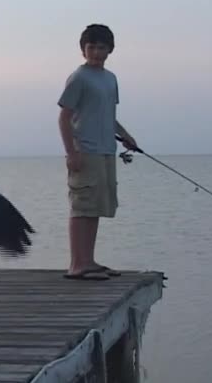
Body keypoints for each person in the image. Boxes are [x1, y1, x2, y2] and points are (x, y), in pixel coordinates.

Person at [57, 24, 139, 280]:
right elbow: (64, 117)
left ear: (110, 50)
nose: (95, 52)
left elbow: (108, 116)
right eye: (90, 47)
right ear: (83, 49)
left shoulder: (110, 79)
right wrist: (72, 153)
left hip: (106, 151)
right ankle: (76, 265)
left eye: (100, 47)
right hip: (85, 150)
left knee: (95, 208)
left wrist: (126, 136)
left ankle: (88, 261)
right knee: (81, 207)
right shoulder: (78, 78)